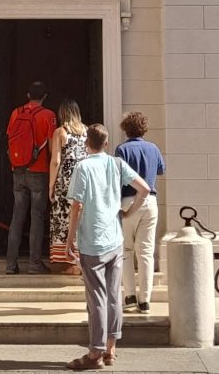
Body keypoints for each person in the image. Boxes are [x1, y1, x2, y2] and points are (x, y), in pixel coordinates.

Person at [65, 123, 150, 370]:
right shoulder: (116, 164)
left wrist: (70, 238)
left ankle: (95, 353)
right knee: (114, 296)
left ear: (86, 143)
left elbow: (77, 206)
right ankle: (111, 349)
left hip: (93, 242)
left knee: (97, 299)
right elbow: (144, 189)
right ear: (106, 142)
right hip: (115, 239)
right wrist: (127, 213)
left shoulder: (83, 167)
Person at [114, 111, 165, 314]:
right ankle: (145, 299)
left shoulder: (122, 149)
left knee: (126, 250)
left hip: (127, 200)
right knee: (145, 252)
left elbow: (118, 176)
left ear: (126, 128)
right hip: (150, 200)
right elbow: (161, 170)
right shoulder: (153, 148)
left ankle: (129, 296)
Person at [5, 80, 57, 275]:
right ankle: (34, 264)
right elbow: (52, 146)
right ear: (45, 96)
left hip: (18, 170)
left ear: (27, 95)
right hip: (39, 170)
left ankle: (11, 264)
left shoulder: (16, 113)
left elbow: (10, 138)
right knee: (37, 216)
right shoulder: (48, 115)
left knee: (17, 216)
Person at [49, 99, 88, 274]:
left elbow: (56, 161)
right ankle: (80, 259)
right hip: (84, 180)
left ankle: (67, 262)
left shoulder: (60, 132)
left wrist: (51, 185)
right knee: (80, 219)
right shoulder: (87, 131)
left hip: (65, 182)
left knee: (63, 221)